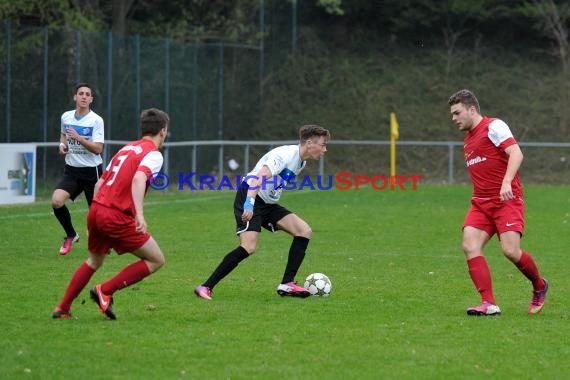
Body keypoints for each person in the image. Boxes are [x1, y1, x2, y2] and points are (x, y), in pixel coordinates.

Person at [52, 108, 170, 320]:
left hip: (97, 209)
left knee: (94, 261)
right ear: (163, 131)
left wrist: (95, 220)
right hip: (115, 215)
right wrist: (140, 215)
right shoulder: (153, 154)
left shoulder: (126, 149)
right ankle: (105, 290)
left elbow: (100, 183)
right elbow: (138, 179)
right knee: (156, 259)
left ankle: (62, 308)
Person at [194, 125, 331, 300]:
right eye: (323, 144)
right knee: (248, 247)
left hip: (268, 203)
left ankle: (287, 284)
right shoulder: (285, 155)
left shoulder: (301, 161)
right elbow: (258, 178)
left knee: (304, 231)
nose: (325, 149)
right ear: (310, 143)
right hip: (251, 196)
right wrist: (249, 204)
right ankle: (205, 287)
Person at [448, 89, 548, 316]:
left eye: (457, 113)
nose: (453, 119)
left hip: (507, 200)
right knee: (470, 246)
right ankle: (488, 303)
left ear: (472, 109)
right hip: (481, 204)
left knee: (511, 251)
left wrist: (506, 183)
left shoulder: (494, 126)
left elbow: (516, 153)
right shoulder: (468, 140)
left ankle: (540, 286)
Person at [52, 83, 105, 255]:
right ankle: (71, 235)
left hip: (92, 172)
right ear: (75, 97)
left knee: (96, 215)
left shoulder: (96, 120)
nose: (83, 96)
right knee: (57, 201)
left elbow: (98, 149)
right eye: (80, 93)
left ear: (91, 99)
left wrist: (80, 139)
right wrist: (62, 144)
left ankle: (105, 240)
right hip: (72, 171)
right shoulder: (66, 117)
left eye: (87, 94)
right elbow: (63, 135)